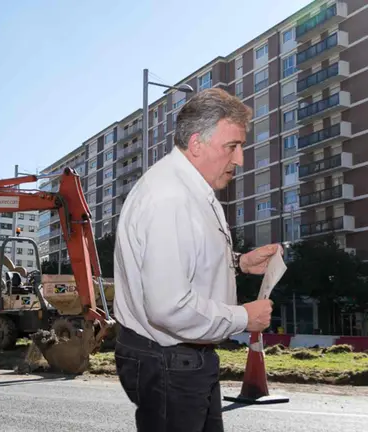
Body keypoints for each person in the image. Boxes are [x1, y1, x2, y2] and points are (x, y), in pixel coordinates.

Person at [113, 88, 281, 431]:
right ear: (196, 144)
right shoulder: (170, 199)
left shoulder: (189, 187)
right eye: (232, 147)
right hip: (168, 361)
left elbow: (184, 255)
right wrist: (243, 317)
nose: (241, 159)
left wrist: (238, 263)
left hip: (181, 358)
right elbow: (169, 307)